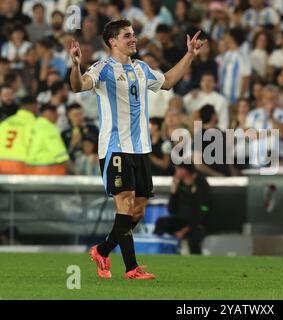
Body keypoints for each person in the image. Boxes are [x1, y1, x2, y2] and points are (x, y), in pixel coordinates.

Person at [69, 19, 206, 280]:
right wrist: (75, 65)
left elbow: (168, 81)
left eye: (133, 34)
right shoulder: (103, 68)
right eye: (127, 35)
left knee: (138, 210)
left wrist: (189, 54)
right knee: (126, 203)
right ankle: (132, 268)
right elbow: (78, 86)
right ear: (113, 41)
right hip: (115, 148)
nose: (134, 38)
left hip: (141, 148)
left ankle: (102, 249)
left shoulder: (142, 69)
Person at [154, 163, 211, 254]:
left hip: (197, 224)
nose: (175, 172)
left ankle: (197, 260)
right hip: (181, 221)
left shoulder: (201, 183)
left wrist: (183, 231)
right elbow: (171, 210)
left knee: (194, 238)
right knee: (161, 223)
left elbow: (203, 211)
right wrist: (173, 191)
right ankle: (158, 251)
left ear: (185, 170)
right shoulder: (180, 184)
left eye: (178, 169)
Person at [25, 104, 70, 174]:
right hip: (46, 169)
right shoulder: (48, 128)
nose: (57, 117)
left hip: (30, 168)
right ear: (49, 113)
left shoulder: (33, 125)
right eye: (56, 114)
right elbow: (60, 155)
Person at [0, 96, 37, 174]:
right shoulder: (34, 123)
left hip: (1, 164)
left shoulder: (5, 122)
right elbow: (34, 146)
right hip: (20, 165)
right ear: (33, 106)